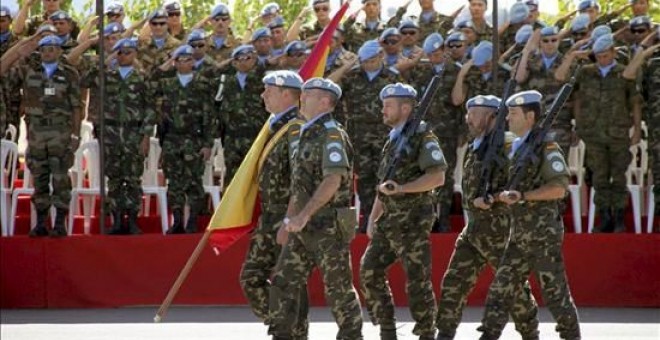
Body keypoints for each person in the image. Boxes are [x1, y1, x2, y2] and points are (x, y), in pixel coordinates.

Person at [478, 90, 581, 340]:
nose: (508, 119)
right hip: (519, 234)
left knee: (555, 294)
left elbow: (558, 188)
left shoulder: (547, 147)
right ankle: (488, 335)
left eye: (513, 114)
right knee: (501, 290)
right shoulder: (516, 147)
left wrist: (524, 196)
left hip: (543, 233)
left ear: (531, 116)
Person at [435, 95, 539, 340]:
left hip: (500, 228)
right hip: (474, 229)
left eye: (475, 113)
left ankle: (530, 332)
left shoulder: (509, 145)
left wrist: (493, 197)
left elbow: (520, 182)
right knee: (454, 282)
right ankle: (445, 332)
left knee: (511, 288)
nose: (468, 118)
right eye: (469, 112)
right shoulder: (476, 144)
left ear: (493, 116)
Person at [268, 77, 363, 340]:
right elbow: (299, 185)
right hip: (302, 224)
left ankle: (352, 336)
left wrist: (303, 215)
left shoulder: (331, 134)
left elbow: (332, 180)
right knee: (284, 282)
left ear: (324, 101)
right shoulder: (305, 133)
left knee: (338, 288)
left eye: (307, 94)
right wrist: (290, 221)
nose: (302, 98)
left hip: (328, 225)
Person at [360, 83, 446, 340]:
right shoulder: (394, 139)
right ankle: (387, 329)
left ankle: (426, 333)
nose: (383, 110)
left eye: (389, 105)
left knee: (417, 281)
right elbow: (384, 184)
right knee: (369, 270)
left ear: (406, 107)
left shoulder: (423, 137)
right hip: (390, 220)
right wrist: (374, 217)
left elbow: (438, 177)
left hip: (413, 219)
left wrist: (403, 189)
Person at [239, 71, 308, 340]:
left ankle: (287, 331)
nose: (262, 95)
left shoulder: (294, 128)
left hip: (285, 213)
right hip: (270, 213)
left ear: (287, 94)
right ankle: (287, 328)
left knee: (288, 282)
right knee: (253, 277)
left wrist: (289, 221)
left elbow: (299, 180)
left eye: (268, 90)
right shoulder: (274, 126)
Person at [556, 34, 642, 233]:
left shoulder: (624, 73)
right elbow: (562, 80)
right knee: (599, 176)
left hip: (618, 132)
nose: (602, 58)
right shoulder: (586, 72)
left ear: (613, 52)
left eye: (605, 54)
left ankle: (619, 216)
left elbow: (635, 103)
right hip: (593, 133)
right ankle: (605, 216)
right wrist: (575, 55)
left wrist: (636, 130)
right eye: (598, 55)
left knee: (619, 175)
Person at [81, 38, 155, 235]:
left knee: (132, 178)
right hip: (111, 134)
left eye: (128, 52)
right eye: (120, 52)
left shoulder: (142, 78)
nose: (124, 56)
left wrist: (146, 136)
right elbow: (85, 80)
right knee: (113, 178)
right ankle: (115, 219)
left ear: (135, 54)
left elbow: (150, 108)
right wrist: (105, 60)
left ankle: (131, 219)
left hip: (133, 133)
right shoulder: (107, 76)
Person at [13, 35, 82, 237]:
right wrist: (21, 51)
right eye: (44, 49)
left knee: (60, 177)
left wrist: (76, 135)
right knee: (40, 177)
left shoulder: (69, 74)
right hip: (36, 133)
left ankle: (59, 222)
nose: (48, 52)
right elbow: (8, 72)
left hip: (60, 133)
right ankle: (41, 222)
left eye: (52, 49)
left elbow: (77, 106)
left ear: (60, 51)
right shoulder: (29, 70)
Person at [329, 39, 401, 231]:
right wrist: (346, 67)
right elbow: (329, 85)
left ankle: (386, 220)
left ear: (380, 56)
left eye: (370, 59)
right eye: (363, 60)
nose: (366, 64)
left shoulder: (392, 77)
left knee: (386, 177)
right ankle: (368, 219)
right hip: (358, 136)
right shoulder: (352, 77)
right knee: (364, 181)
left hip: (385, 136)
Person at [153, 44, 215, 234]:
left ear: (194, 62)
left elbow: (210, 115)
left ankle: (193, 220)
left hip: (194, 139)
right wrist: (163, 144)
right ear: (175, 62)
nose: (184, 63)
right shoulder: (167, 84)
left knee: (194, 181)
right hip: (172, 139)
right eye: (180, 60)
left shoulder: (202, 84)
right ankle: (178, 219)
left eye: (188, 59)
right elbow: (150, 82)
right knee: (174, 181)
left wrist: (207, 144)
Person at [408, 33, 464, 232]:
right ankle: (429, 218)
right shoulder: (422, 73)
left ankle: (445, 218)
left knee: (446, 176)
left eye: (438, 53)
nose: (434, 58)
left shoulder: (456, 72)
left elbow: (462, 105)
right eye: (431, 55)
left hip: (448, 132)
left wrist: (463, 132)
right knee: (425, 174)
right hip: (426, 133)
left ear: (444, 51)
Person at [217, 44, 266, 182]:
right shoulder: (225, 81)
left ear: (255, 58)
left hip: (256, 136)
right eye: (239, 59)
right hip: (232, 138)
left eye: (248, 58)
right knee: (233, 177)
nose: (243, 62)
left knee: (257, 176)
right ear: (233, 62)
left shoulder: (264, 80)